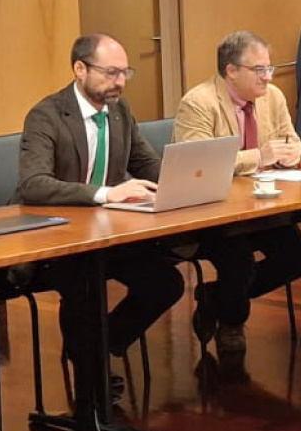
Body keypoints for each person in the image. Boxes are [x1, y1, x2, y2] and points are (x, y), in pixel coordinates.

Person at [16, 34, 184, 377]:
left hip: (106, 232)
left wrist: (184, 179)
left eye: (125, 73)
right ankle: (91, 380)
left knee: (165, 283)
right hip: (55, 235)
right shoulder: (46, 115)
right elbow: (33, 185)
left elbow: (144, 163)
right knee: (83, 284)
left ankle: (103, 346)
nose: (119, 82)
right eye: (110, 73)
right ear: (80, 69)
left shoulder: (119, 110)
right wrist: (106, 194)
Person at [174, 30, 301, 356]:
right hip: (212, 213)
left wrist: (294, 154)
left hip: (261, 206)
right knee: (239, 261)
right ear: (231, 71)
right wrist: (259, 157)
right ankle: (232, 321)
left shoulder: (272, 97)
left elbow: (293, 141)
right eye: (259, 70)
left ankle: (216, 296)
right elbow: (196, 165)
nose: (268, 77)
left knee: (300, 258)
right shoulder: (198, 103)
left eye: (269, 68)